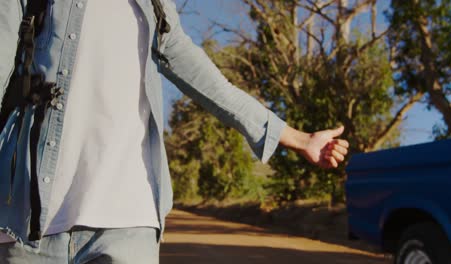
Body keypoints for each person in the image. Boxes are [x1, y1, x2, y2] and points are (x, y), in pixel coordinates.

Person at [0, 0, 349, 263]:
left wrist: (298, 138)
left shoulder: (154, 5)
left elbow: (211, 83)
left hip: (129, 223)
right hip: (29, 221)